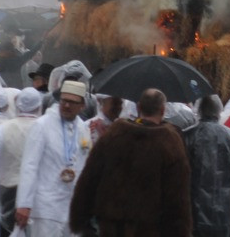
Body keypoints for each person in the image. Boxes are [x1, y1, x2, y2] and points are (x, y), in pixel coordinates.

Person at [69, 88, 192, 237]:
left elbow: (90, 177)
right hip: (150, 228)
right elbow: (178, 197)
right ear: (163, 109)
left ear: (139, 107)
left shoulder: (115, 134)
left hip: (111, 226)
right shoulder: (170, 143)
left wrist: (80, 219)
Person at [16, 80, 92, 237]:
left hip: (72, 207)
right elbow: (29, 166)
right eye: (64, 101)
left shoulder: (83, 128)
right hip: (46, 207)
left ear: (82, 105)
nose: (67, 106)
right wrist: (24, 204)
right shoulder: (42, 125)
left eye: (72, 102)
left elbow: (85, 167)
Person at [0, 88, 44, 237]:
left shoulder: (3, 129)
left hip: (8, 197)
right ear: (39, 107)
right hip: (40, 199)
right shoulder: (45, 129)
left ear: (17, 105)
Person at [184, 95, 230, 237]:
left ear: (199, 110)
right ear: (219, 110)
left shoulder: (188, 135)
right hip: (223, 204)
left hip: (193, 203)